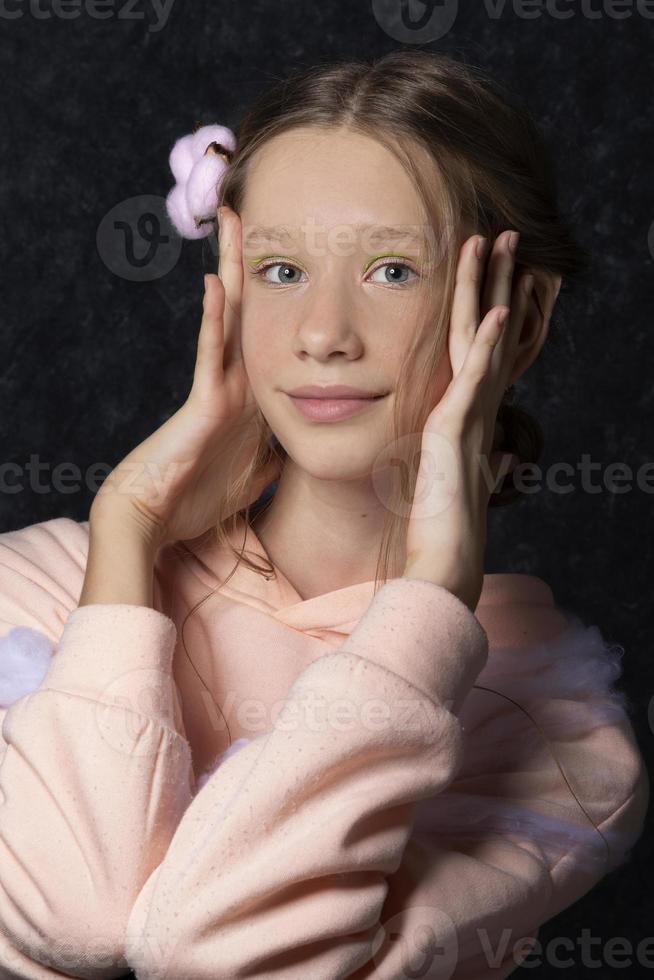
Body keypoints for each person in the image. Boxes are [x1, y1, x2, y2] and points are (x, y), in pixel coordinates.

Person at [0, 51, 647, 979]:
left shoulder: (554, 735)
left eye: (391, 269)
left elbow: (219, 955)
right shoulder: (49, 585)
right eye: (280, 269)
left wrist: (425, 610)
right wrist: (129, 528)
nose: (322, 334)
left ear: (525, 316)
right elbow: (76, 918)